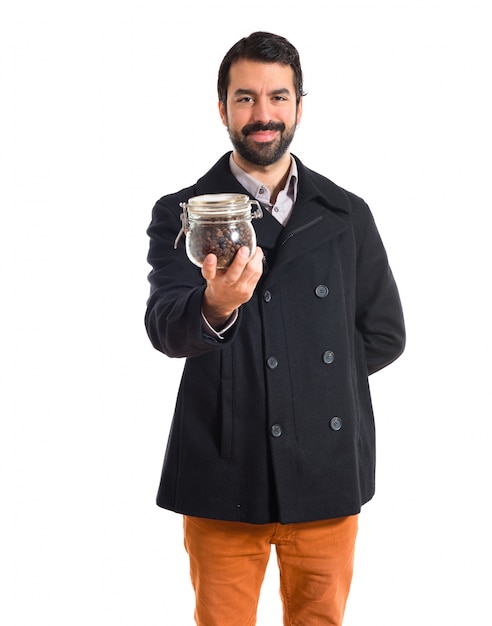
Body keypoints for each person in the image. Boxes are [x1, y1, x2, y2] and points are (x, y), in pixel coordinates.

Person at [145, 31, 405, 626]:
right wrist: (216, 308)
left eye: (278, 97)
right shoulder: (184, 213)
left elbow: (385, 333)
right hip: (222, 463)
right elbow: (166, 329)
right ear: (222, 108)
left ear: (299, 106)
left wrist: (306, 385)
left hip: (325, 470)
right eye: (245, 99)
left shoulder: (347, 214)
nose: (263, 115)